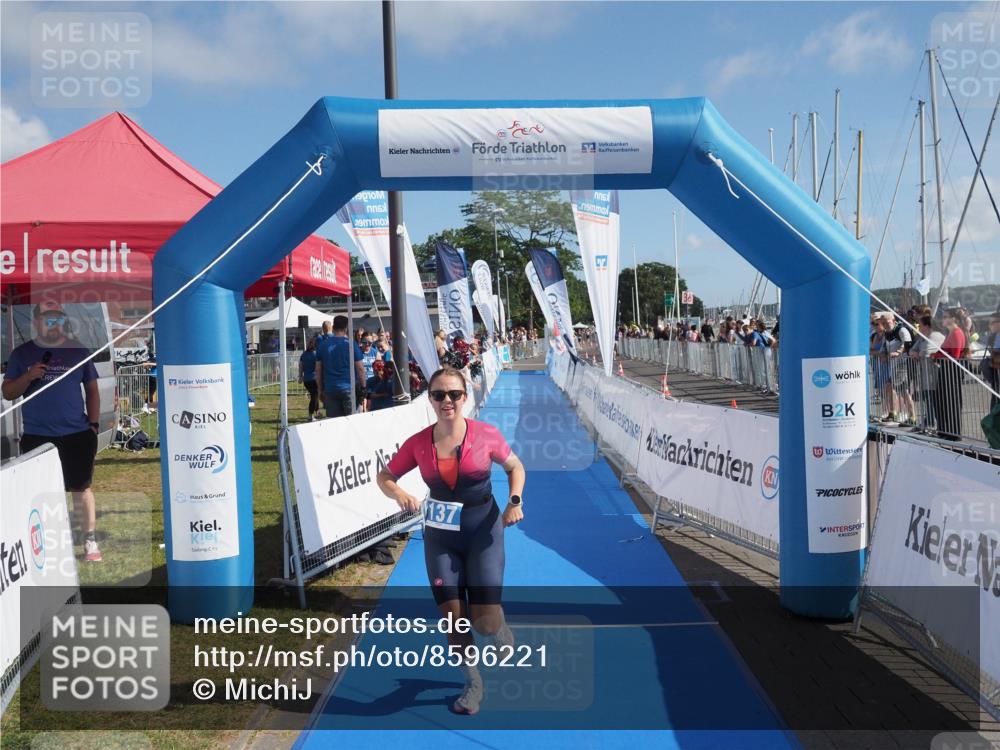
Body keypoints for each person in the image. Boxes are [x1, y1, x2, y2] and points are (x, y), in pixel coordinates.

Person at [376, 367, 526, 715]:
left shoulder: (486, 434)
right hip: (441, 538)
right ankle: (473, 684)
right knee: (453, 619)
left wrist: (515, 501)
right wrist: (397, 492)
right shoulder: (418, 443)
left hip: (484, 531)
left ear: (465, 397)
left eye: (454, 394)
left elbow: (515, 467)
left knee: (484, 622)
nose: (447, 401)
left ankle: (500, 629)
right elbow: (385, 476)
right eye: (439, 395)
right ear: (429, 399)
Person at [2, 301, 103, 561]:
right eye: (48, 318)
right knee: (39, 493)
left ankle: (90, 542)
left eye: (58, 318)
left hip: (77, 434)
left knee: (81, 487)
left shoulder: (78, 350)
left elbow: (92, 390)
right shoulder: (22, 354)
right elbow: (8, 392)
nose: (54, 323)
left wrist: (93, 425)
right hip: (38, 435)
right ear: (36, 322)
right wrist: (28, 376)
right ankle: (46, 542)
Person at [315, 315, 365, 418]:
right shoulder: (352, 344)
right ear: (346, 328)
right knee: (352, 422)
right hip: (349, 388)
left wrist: (320, 390)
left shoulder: (323, 345)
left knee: (334, 424)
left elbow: (318, 371)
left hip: (330, 389)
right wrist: (363, 387)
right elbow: (360, 369)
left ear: (333, 327)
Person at [933, 308, 968, 441]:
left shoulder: (957, 333)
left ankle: (954, 432)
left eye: (946, 316)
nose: (943, 319)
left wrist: (937, 356)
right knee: (942, 400)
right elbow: (943, 352)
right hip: (945, 369)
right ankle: (945, 430)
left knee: (951, 401)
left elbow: (955, 355)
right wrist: (935, 355)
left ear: (953, 319)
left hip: (951, 371)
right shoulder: (950, 333)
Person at [299, 337, 320, 421]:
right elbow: (317, 368)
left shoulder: (303, 354)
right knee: (314, 397)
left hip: (306, 380)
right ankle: (310, 416)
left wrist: (300, 377)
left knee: (315, 395)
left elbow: (300, 366)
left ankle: (317, 412)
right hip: (314, 379)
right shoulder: (316, 354)